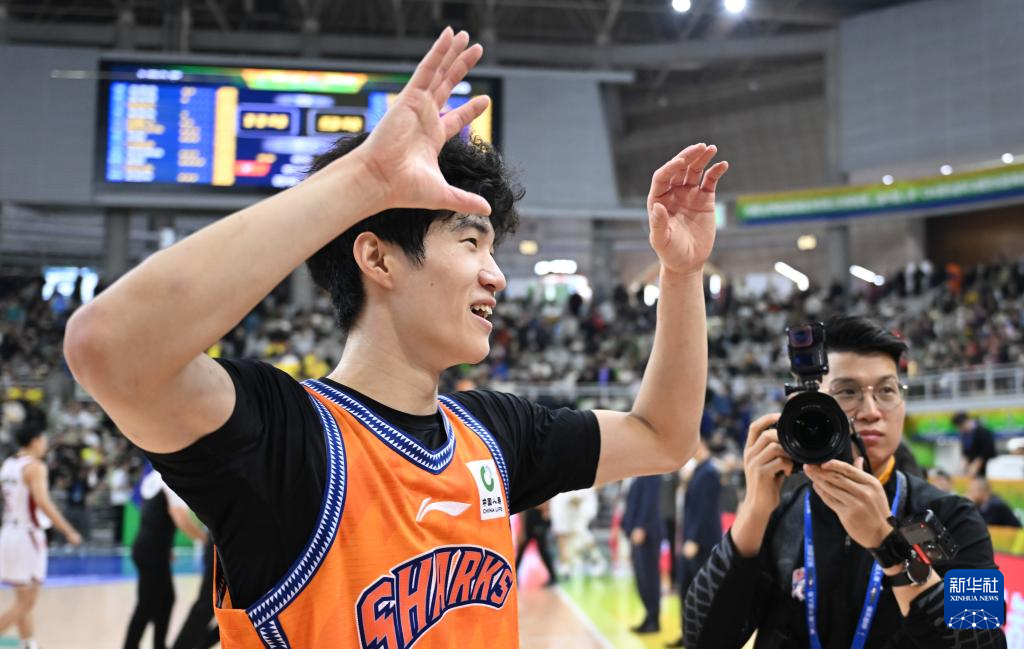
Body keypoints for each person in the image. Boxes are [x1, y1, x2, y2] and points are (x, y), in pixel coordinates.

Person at [63, 28, 728, 647]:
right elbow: (107, 346)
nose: (496, 275)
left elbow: (664, 436)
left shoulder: (495, 434)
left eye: (493, 247)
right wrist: (365, 181)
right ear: (377, 258)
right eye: (470, 241)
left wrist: (681, 274)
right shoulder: (287, 442)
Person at [683, 315, 1005, 649]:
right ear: (806, 406)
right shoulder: (778, 516)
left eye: (887, 390)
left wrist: (888, 545)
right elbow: (702, 640)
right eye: (847, 391)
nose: (871, 410)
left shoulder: (954, 515)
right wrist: (753, 510)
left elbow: (986, 641)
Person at [0, 422, 82, 649]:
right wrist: (68, 530)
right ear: (35, 440)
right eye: (44, 439)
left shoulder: (8, 464)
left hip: (8, 532)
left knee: (22, 599)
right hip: (27, 535)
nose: (45, 444)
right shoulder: (35, 467)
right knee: (27, 602)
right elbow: (43, 503)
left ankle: (29, 644)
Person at [123, 468, 207, 649]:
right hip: (152, 551)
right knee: (146, 604)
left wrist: (166, 547)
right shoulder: (170, 478)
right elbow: (180, 518)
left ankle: (159, 645)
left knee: (166, 599)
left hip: (149, 547)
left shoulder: (152, 477)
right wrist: (205, 540)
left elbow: (152, 514)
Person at [666, 435, 721, 648]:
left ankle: (702, 636)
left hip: (700, 543)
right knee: (685, 590)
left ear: (701, 445)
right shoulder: (698, 470)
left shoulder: (710, 472)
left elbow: (705, 510)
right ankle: (687, 633)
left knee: (700, 592)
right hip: (689, 538)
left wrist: (694, 539)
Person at [622, 475, 663, 634]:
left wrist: (641, 526)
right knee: (642, 579)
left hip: (646, 534)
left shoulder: (652, 474)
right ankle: (649, 616)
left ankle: (654, 620)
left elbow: (649, 502)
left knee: (649, 578)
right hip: (636, 533)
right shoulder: (638, 476)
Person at [514, 502, 557, 587]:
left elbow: (545, 503)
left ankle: (553, 577)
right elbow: (521, 511)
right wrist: (522, 531)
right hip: (528, 522)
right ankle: (513, 578)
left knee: (543, 551)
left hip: (538, 520)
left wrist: (546, 509)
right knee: (521, 551)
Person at [954, 411, 997, 478]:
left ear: (966, 421)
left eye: (961, 426)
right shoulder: (964, 435)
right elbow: (966, 453)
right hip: (973, 470)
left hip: (987, 468)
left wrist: (977, 463)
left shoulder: (983, 431)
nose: (960, 429)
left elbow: (987, 450)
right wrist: (962, 467)